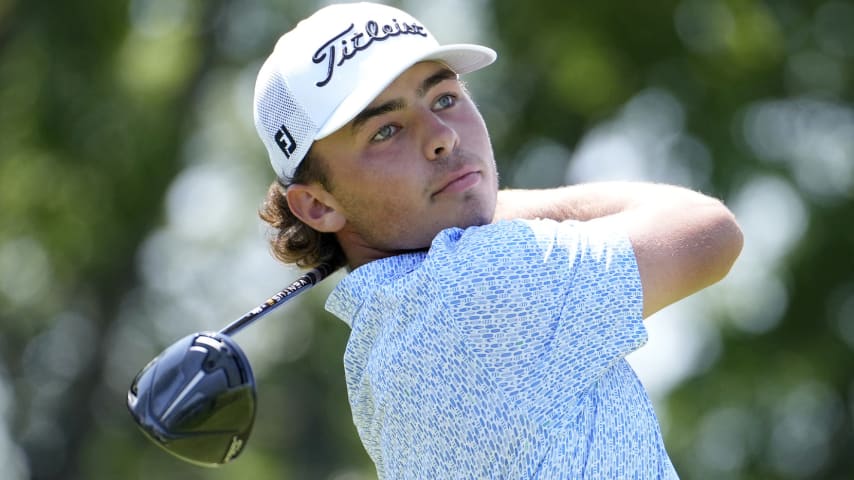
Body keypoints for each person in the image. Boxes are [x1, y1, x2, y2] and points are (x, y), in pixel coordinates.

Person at [252, 2, 743, 478]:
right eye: (386, 131)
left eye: (444, 98)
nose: (442, 135)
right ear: (317, 206)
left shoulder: (377, 346)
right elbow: (708, 230)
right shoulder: (476, 286)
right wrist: (485, 203)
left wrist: (463, 202)